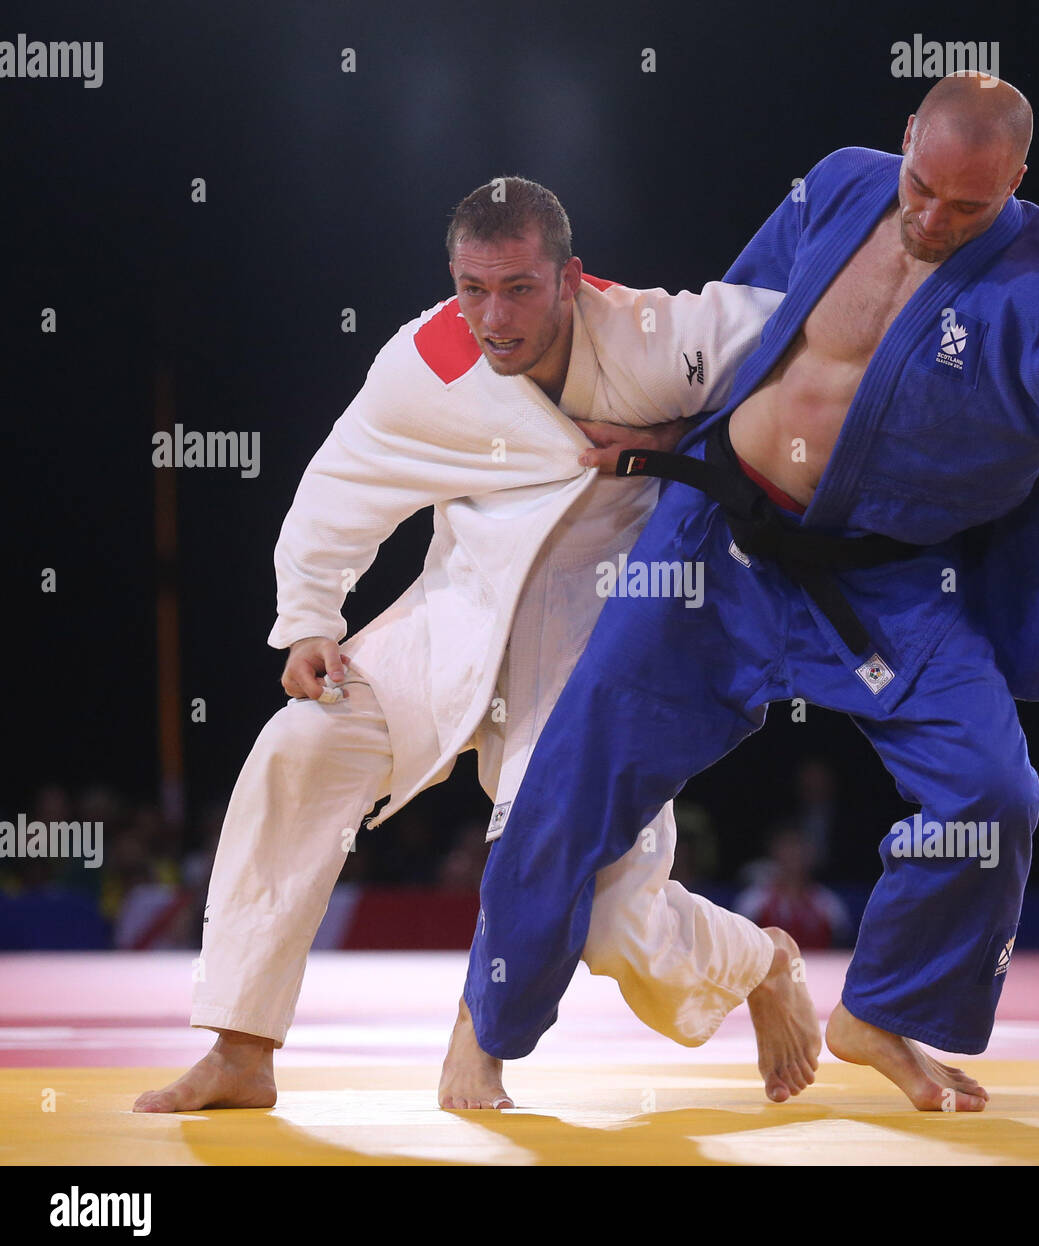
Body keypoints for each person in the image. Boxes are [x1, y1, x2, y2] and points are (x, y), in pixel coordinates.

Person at [461, 73, 1039, 1112]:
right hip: (717, 550)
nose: (931, 217)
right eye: (921, 186)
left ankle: (878, 1006)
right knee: (573, 764)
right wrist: (663, 433)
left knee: (991, 792)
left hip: (885, 589)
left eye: (966, 205)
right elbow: (735, 327)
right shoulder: (841, 188)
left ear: (1018, 180)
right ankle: (486, 1031)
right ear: (903, 145)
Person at [133, 177, 823, 1115]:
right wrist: (306, 621)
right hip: (451, 628)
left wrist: (676, 439)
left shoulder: (661, 339)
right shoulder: (426, 364)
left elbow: (817, 356)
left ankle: (761, 961)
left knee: (619, 928)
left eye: (520, 290)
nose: (493, 318)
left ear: (571, 279)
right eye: (473, 288)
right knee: (295, 748)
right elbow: (341, 484)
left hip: (595, 662)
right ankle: (240, 1047)